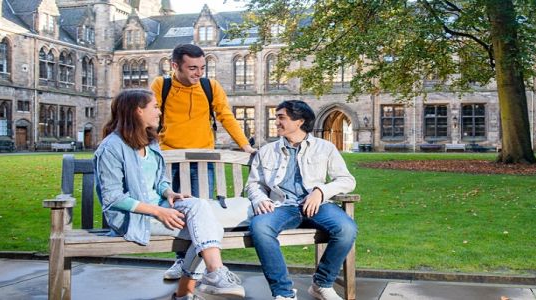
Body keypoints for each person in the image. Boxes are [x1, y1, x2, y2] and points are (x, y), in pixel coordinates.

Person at [94, 89, 245, 300]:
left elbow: (159, 180)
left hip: (160, 208)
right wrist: (158, 211)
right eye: (154, 107)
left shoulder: (149, 141)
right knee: (208, 230)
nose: (159, 111)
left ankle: (212, 275)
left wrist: (169, 192)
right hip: (134, 219)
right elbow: (113, 197)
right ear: (138, 111)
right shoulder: (111, 148)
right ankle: (194, 287)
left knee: (199, 209)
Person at [151, 44, 255, 279]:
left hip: (202, 161)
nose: (199, 73)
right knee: (176, 213)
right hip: (168, 160)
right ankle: (182, 262)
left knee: (202, 212)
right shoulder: (161, 85)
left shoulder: (210, 86)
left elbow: (226, 116)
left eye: (202, 68)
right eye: (192, 68)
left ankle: (196, 265)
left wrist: (245, 145)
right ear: (175, 66)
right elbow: (149, 117)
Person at [245, 100, 357, 300]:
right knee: (260, 227)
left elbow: (347, 180)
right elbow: (254, 184)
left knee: (347, 229)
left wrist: (320, 191)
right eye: (276, 116)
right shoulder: (267, 151)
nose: (276, 121)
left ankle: (321, 284)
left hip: (317, 205)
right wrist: (259, 199)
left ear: (300, 121)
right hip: (281, 206)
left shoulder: (325, 148)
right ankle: (284, 293)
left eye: (281, 117)